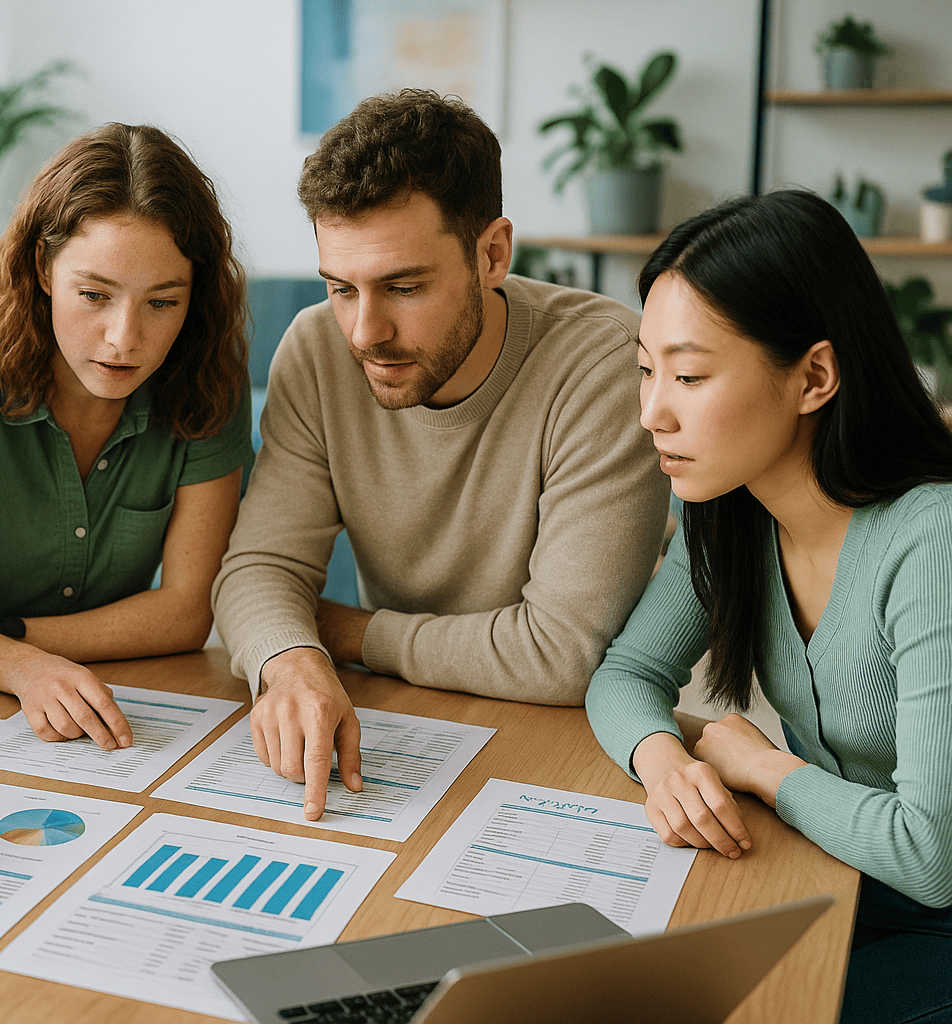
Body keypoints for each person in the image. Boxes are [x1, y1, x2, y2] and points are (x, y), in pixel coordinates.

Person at [213, 89, 670, 820]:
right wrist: (290, 660)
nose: (364, 331)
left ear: (492, 253)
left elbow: (560, 655)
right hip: (400, 726)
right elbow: (260, 568)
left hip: (566, 749)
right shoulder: (316, 347)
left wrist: (349, 632)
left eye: (403, 287)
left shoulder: (605, 360)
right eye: (341, 288)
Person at [584, 189, 952, 1024]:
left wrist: (760, 767)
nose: (653, 412)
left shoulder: (932, 539)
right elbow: (627, 673)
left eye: (688, 375)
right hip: (841, 875)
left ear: (814, 376)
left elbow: (930, 856)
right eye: (646, 370)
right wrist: (663, 762)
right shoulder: (731, 509)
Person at [0, 122, 252, 750]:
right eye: (94, 294)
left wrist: (10, 636)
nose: (123, 338)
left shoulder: (210, 379)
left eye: (163, 302)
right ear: (45, 268)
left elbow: (186, 612)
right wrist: (23, 669)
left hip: (135, 690)